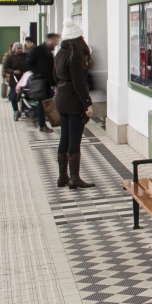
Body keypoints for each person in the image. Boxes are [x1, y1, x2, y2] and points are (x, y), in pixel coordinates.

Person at [53, 20, 94, 189]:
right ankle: (74, 178)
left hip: (61, 98)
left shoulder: (59, 54)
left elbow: (54, 77)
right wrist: (88, 103)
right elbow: (79, 82)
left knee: (65, 136)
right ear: (77, 38)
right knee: (74, 139)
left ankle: (63, 176)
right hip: (73, 99)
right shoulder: (75, 55)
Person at [26, 32, 60, 133]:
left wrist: (54, 82)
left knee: (48, 102)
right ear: (49, 40)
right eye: (55, 41)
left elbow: (51, 69)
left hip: (48, 82)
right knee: (43, 103)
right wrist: (37, 73)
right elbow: (28, 63)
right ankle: (41, 124)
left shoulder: (49, 52)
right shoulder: (38, 50)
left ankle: (36, 115)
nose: (56, 43)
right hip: (40, 82)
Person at [1, 41, 29, 120]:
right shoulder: (10, 57)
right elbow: (6, 68)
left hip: (24, 79)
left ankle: (23, 110)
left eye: (21, 48)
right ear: (14, 49)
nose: (20, 50)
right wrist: (13, 71)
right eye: (18, 48)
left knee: (24, 96)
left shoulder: (26, 56)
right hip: (14, 80)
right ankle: (16, 111)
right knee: (14, 97)